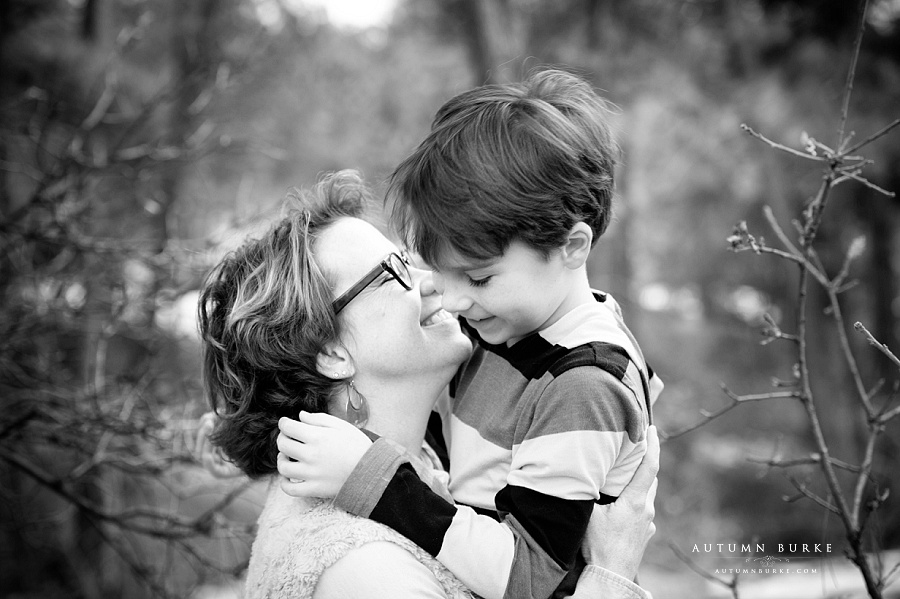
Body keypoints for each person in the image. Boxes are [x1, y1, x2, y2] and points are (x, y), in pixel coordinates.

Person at [276, 69, 664, 599]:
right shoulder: (511, 327)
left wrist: (372, 478)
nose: (453, 299)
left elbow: (528, 576)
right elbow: (457, 450)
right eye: (441, 269)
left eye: (478, 276)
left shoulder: (582, 385)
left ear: (573, 247)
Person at [197, 170, 657, 599]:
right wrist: (610, 576)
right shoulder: (371, 576)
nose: (436, 284)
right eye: (394, 272)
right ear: (332, 353)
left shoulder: (428, 460)